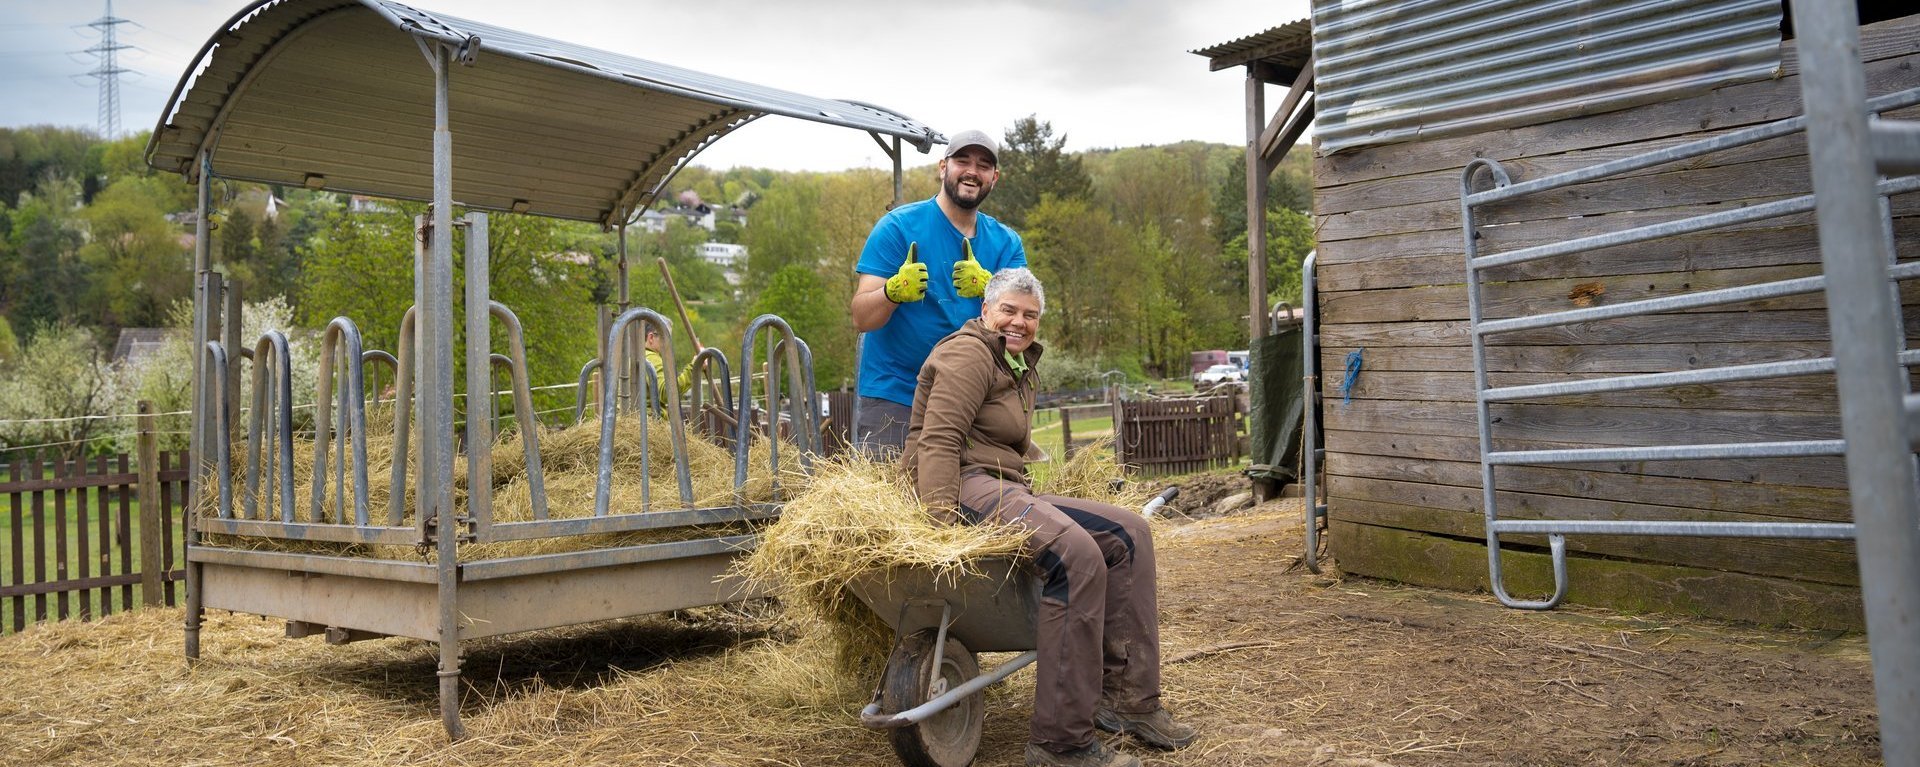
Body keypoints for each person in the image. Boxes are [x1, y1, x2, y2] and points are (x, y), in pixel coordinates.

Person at [901, 268, 1194, 767]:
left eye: (1030, 315)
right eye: (1009, 311)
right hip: (961, 483)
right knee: (1075, 556)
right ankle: (1061, 744)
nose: (1019, 322)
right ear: (986, 310)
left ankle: (1127, 700)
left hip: (1001, 485)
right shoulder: (966, 353)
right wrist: (938, 524)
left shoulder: (1014, 362)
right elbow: (939, 441)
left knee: (1131, 533)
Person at [850, 128, 1026, 456]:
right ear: (943, 167)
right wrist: (892, 291)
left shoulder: (1007, 243)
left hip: (976, 399)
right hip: (898, 396)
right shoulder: (897, 228)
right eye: (963, 160)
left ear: (995, 177)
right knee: (890, 501)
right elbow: (861, 317)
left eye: (984, 165)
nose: (973, 171)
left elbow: (1022, 330)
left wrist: (992, 290)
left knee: (981, 499)